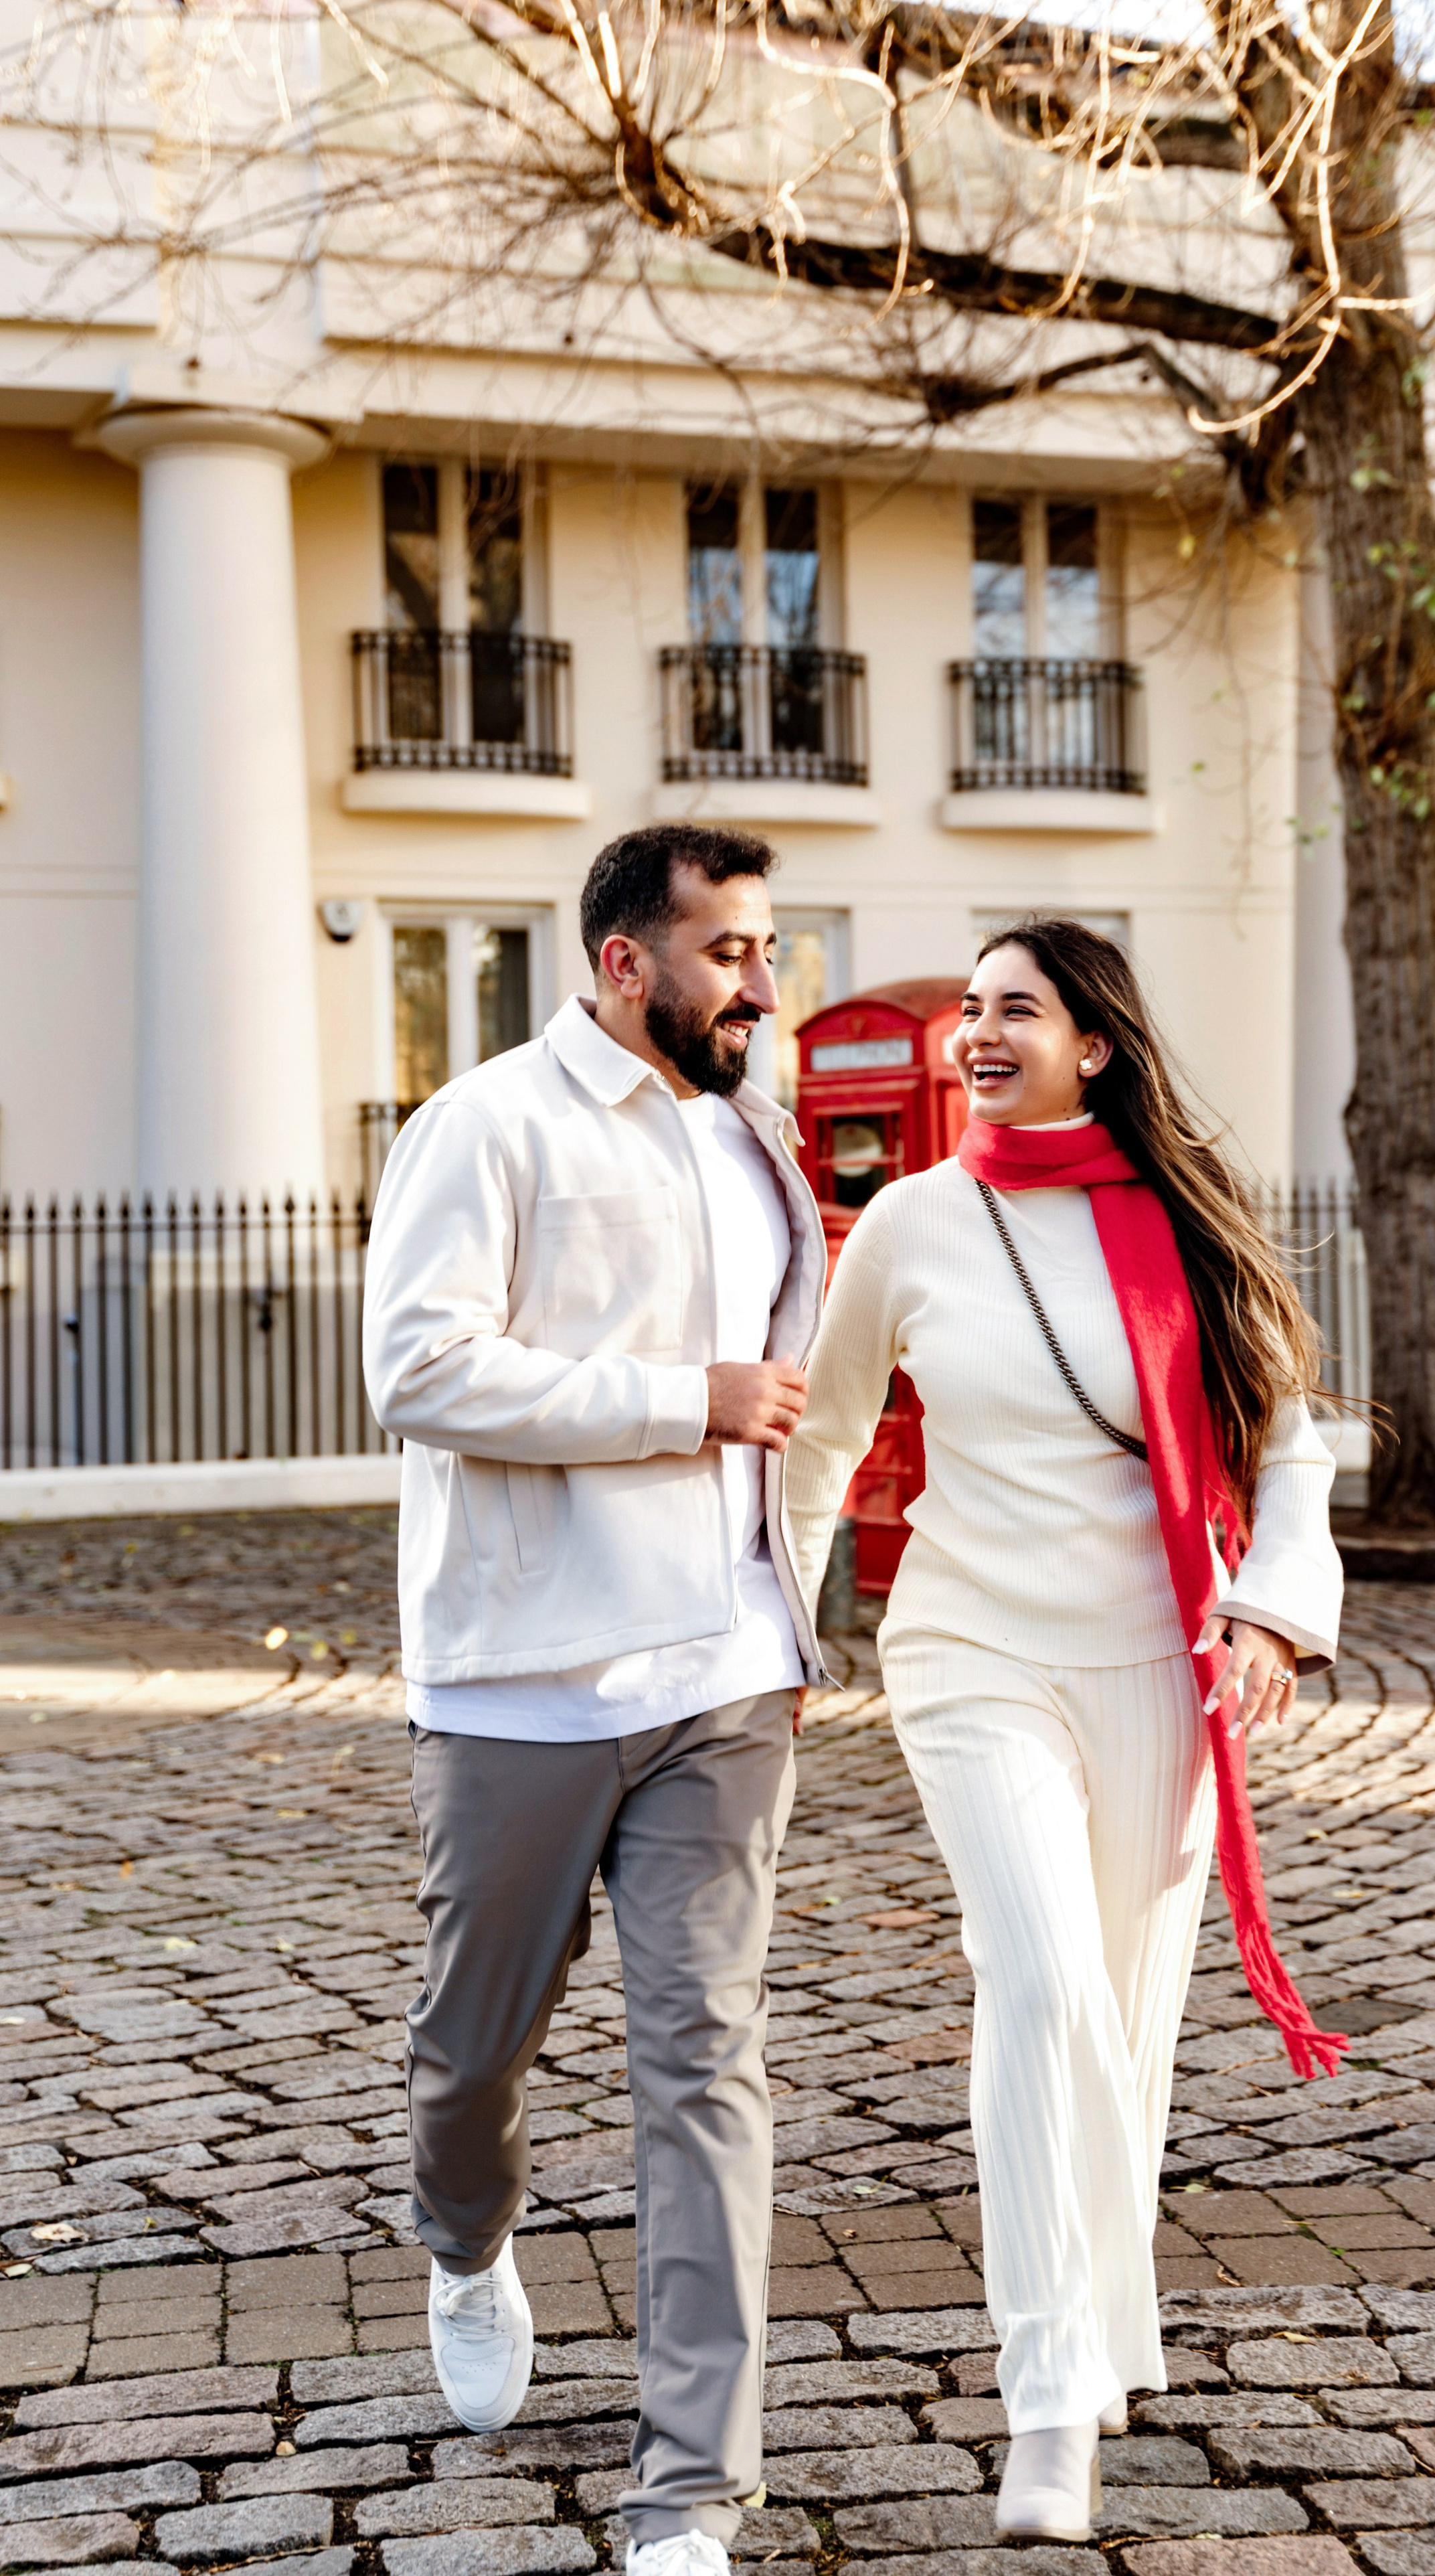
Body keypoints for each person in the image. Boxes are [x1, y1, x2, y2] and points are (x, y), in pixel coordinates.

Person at [784, 917, 1346, 2545]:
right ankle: (1047, 2393)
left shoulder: (1188, 1222)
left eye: (1010, 1009)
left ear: (1091, 1043)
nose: (973, 1031)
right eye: (965, 1007)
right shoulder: (907, 1220)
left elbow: (1285, 1446)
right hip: (967, 1650)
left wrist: (1265, 1611)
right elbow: (822, 1440)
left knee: (1128, 2011)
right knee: (1035, 1981)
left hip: (1154, 1660)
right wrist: (776, 1625)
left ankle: (1113, 2312)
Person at [363, 824, 826, 2576]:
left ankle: (692, 2492)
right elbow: (416, 1364)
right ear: (627, 962)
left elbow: (802, 1406)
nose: (764, 987)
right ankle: (464, 2240)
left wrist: (792, 1620)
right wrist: (674, 1398)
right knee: (472, 2054)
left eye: (771, 949)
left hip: (721, 1683)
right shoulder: (487, 1125)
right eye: (732, 952)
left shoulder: (757, 1147)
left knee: (707, 2064)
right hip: (522, 1683)